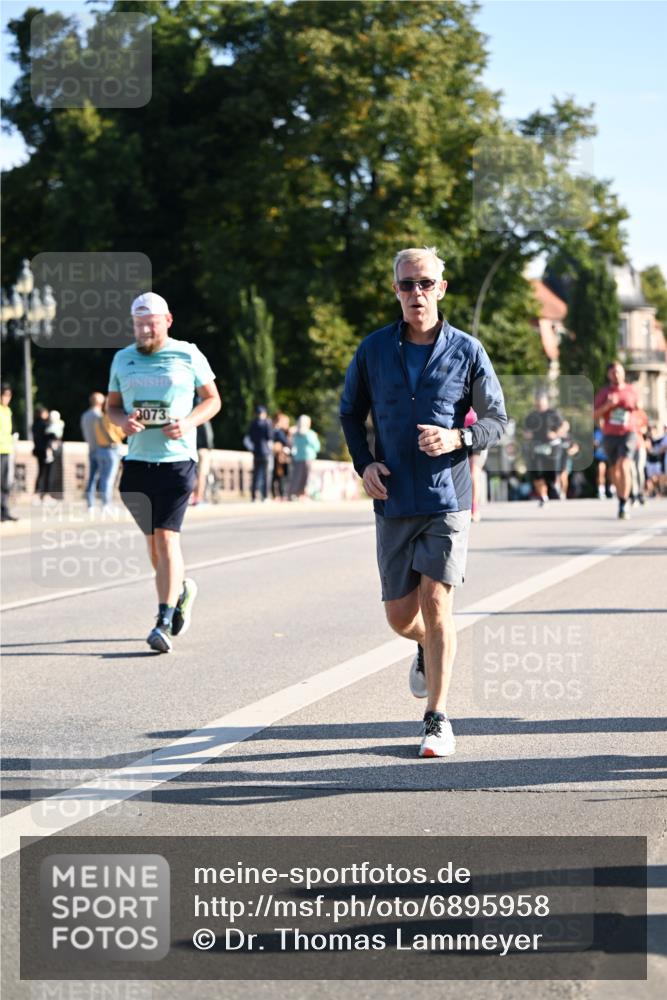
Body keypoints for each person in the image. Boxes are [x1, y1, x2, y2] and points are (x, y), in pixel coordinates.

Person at [340, 246, 507, 758]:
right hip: (393, 497)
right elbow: (350, 414)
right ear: (396, 290)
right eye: (408, 284)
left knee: (437, 602)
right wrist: (363, 463)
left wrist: (458, 439)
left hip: (446, 498)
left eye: (426, 283)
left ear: (442, 287)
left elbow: (497, 421)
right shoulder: (372, 350)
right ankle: (422, 646)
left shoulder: (468, 350)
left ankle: (436, 717)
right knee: (399, 616)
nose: (417, 293)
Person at [107, 292, 221, 653]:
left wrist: (187, 423)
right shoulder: (122, 359)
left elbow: (213, 400)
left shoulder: (188, 354)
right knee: (154, 545)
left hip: (177, 460)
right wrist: (122, 422)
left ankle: (163, 619)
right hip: (138, 462)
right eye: (139, 324)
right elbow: (111, 407)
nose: (144, 330)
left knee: (167, 539)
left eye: (151, 323)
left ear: (167, 321)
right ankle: (181, 588)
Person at [593, 360, 638, 520]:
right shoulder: (604, 393)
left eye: (619, 371)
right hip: (610, 435)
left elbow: (638, 410)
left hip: (628, 432)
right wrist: (607, 405)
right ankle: (621, 499)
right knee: (614, 470)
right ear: (609, 375)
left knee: (624, 464)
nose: (617, 375)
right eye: (613, 372)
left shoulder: (631, 390)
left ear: (623, 373)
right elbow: (595, 415)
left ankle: (625, 501)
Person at [522, 390, 568, 506]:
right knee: (537, 473)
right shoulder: (531, 416)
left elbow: (565, 425)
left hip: (553, 447)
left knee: (552, 474)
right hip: (538, 448)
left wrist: (556, 434)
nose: (539, 405)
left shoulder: (554, 413)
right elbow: (525, 431)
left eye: (542, 402)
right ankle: (543, 496)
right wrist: (528, 435)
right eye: (537, 403)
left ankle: (554, 485)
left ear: (546, 402)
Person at [93, 398, 125, 511]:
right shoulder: (113, 420)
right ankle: (107, 504)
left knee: (102, 478)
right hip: (112, 450)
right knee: (109, 479)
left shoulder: (99, 419)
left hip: (100, 450)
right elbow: (122, 433)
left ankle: (104, 502)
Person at [81, 391, 105, 513]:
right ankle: (105, 503)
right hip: (102, 449)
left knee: (91, 477)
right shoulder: (99, 416)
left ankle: (90, 503)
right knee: (104, 478)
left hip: (91, 448)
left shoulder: (85, 415)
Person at [32, 404, 61, 503]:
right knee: (47, 473)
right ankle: (45, 495)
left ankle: (37, 494)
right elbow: (52, 436)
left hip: (38, 451)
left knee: (41, 472)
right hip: (46, 451)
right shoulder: (44, 425)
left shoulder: (34, 425)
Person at [289, 414, 320, 500]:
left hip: (297, 458)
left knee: (297, 477)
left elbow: (292, 445)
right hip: (308, 458)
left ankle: (295, 494)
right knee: (307, 478)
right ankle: (305, 495)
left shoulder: (295, 434)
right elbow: (317, 447)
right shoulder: (311, 434)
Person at [247, 405, 273, 502]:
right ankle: (265, 496)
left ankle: (253, 496)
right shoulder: (267, 423)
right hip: (265, 452)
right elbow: (269, 437)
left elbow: (249, 438)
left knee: (256, 475)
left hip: (256, 451)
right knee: (266, 475)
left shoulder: (253, 423)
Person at [0, 383, 18, 522]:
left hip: (6, 449)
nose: (6, 398)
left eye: (8, 395)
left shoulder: (8, 411)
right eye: (4, 395)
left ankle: (4, 510)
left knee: (6, 483)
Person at [271, 411, 292, 501]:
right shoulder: (278, 431)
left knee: (280, 476)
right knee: (279, 476)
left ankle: (279, 494)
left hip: (281, 455)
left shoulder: (282, 431)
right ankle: (279, 494)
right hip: (279, 456)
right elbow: (284, 443)